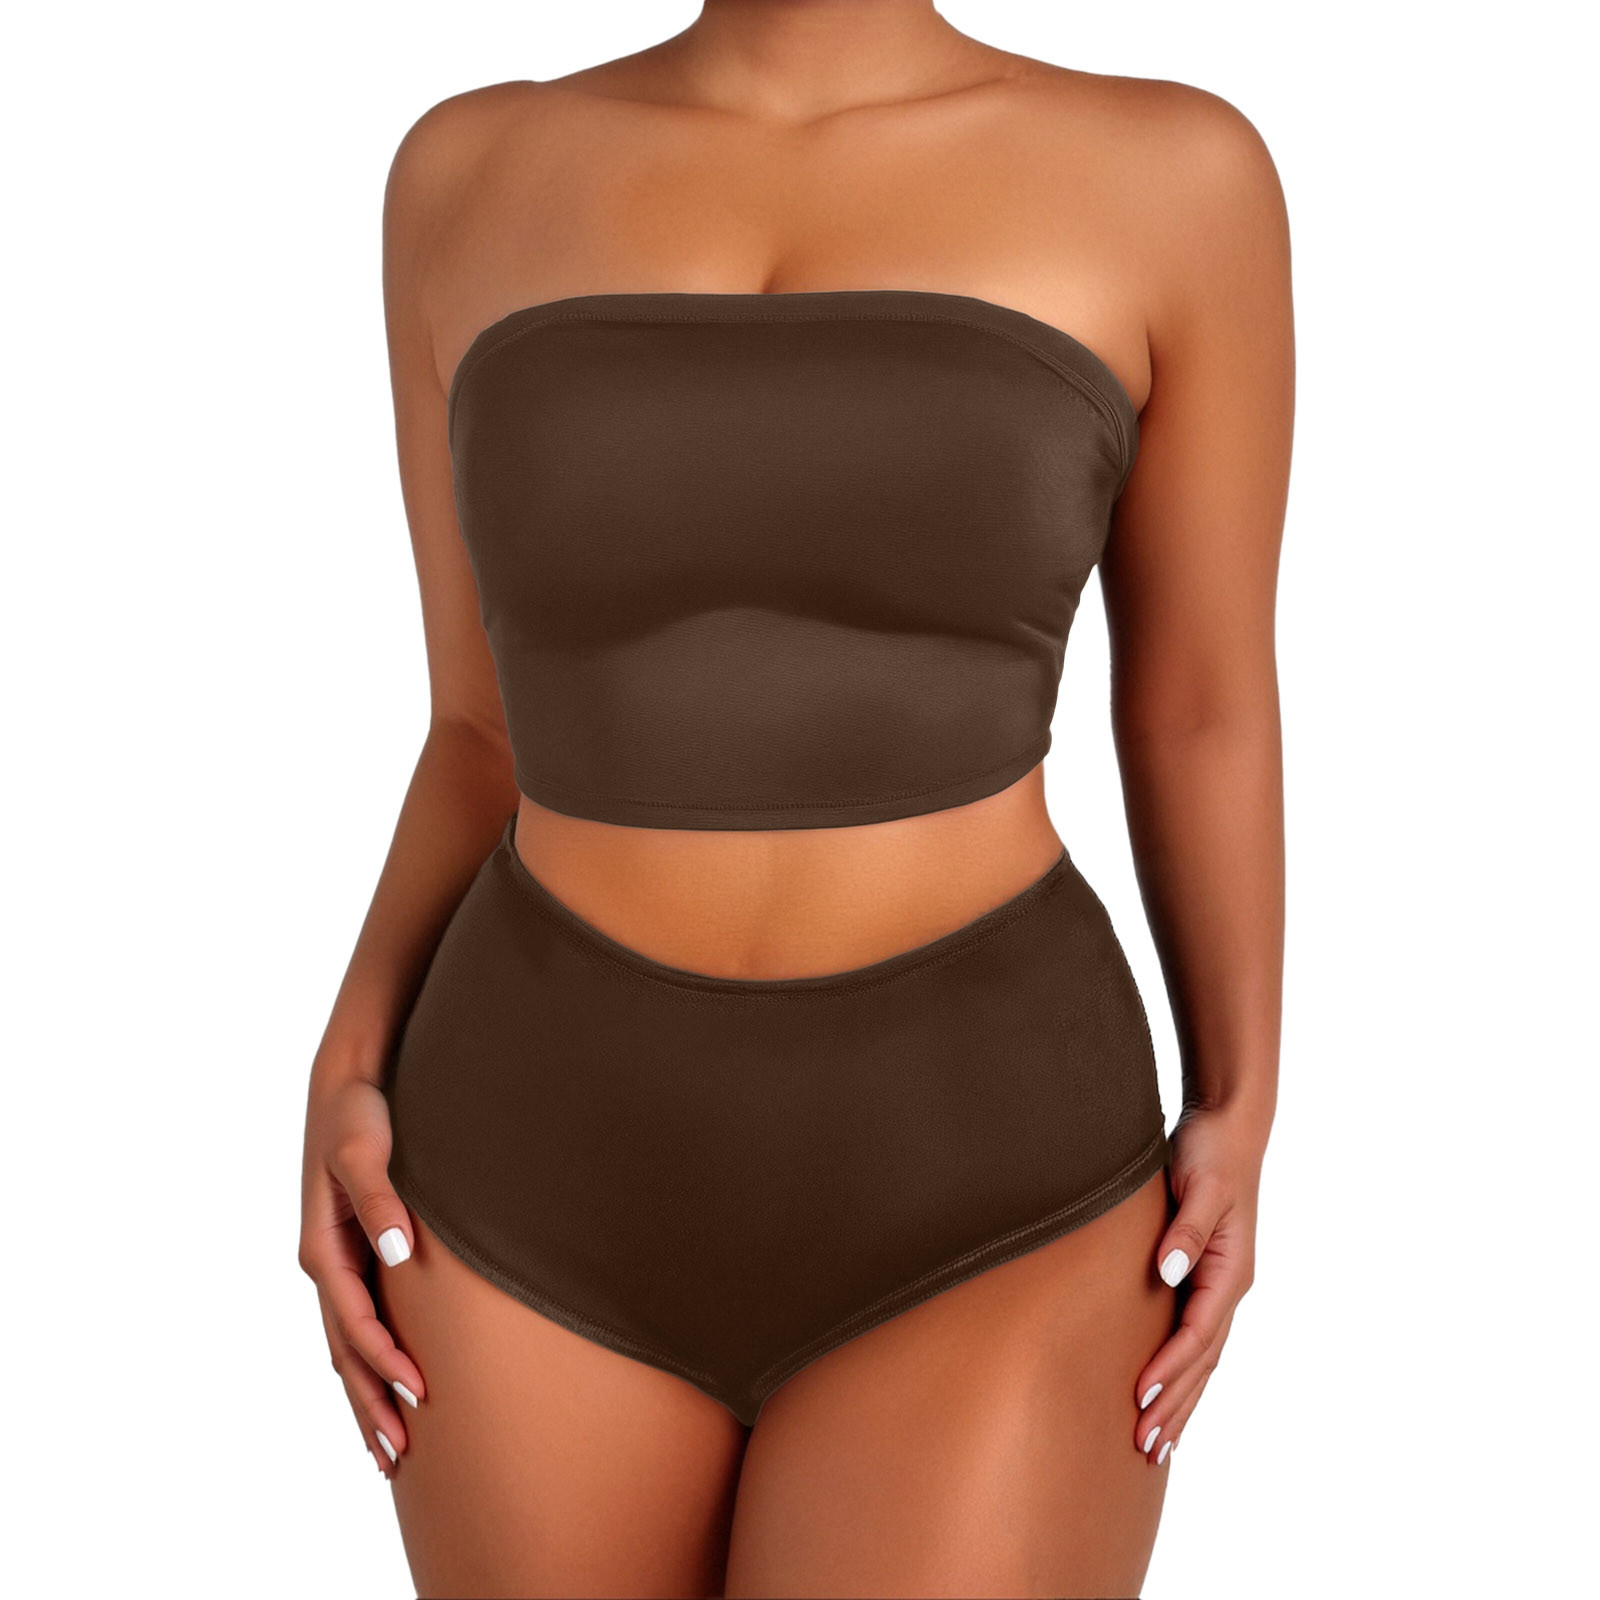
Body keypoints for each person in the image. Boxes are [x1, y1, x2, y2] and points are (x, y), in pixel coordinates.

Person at [298, 3, 1292, 1594]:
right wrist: (347, 1059)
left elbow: (1198, 705)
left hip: (989, 1163)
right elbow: (478, 730)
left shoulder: (1176, 174)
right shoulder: (466, 172)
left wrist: (1241, 1097)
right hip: (525, 1150)